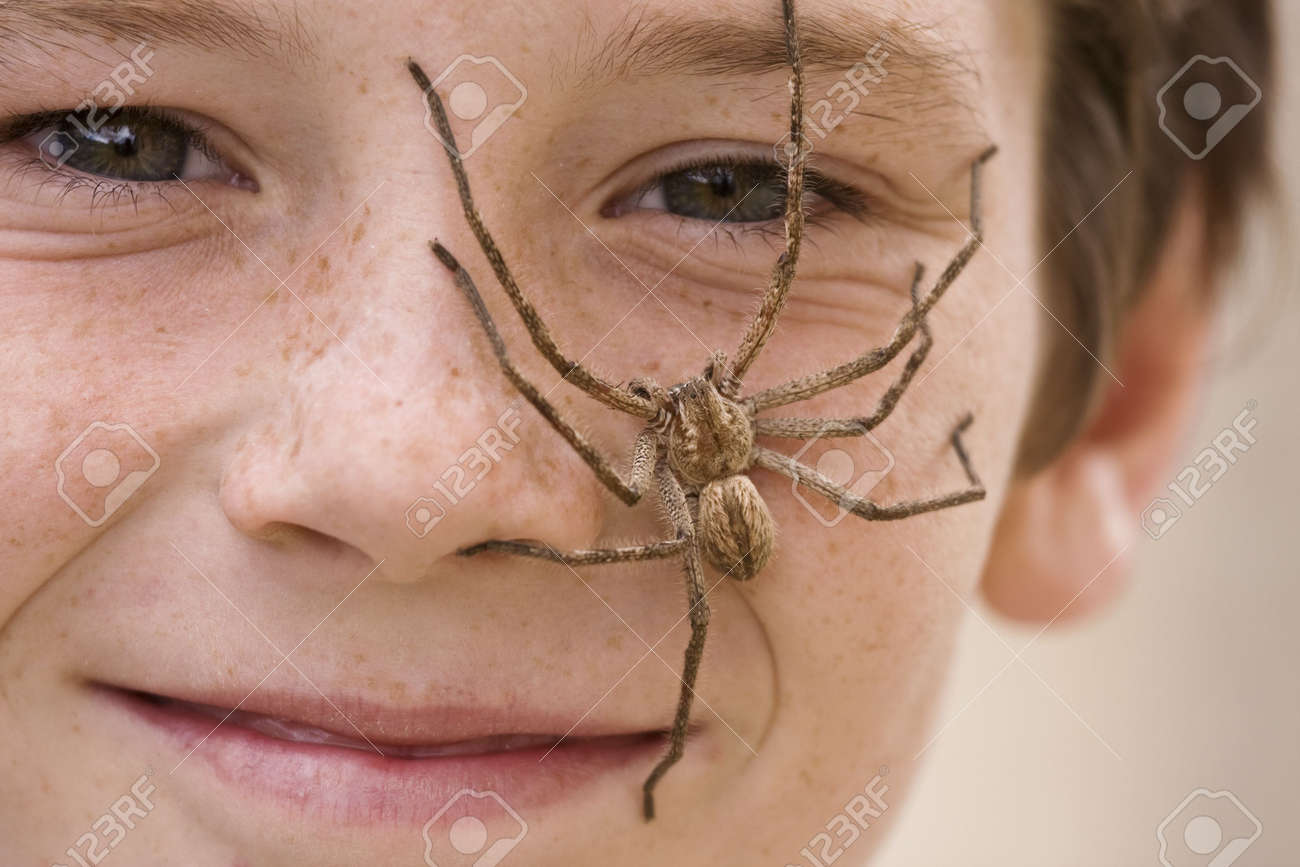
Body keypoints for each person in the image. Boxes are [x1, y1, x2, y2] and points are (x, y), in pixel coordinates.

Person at [0, 1, 1273, 864]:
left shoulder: (743, 448)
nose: (418, 478)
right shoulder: (711, 433)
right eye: (120, 145)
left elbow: (887, 389)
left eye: (742, 188)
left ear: (1104, 390)